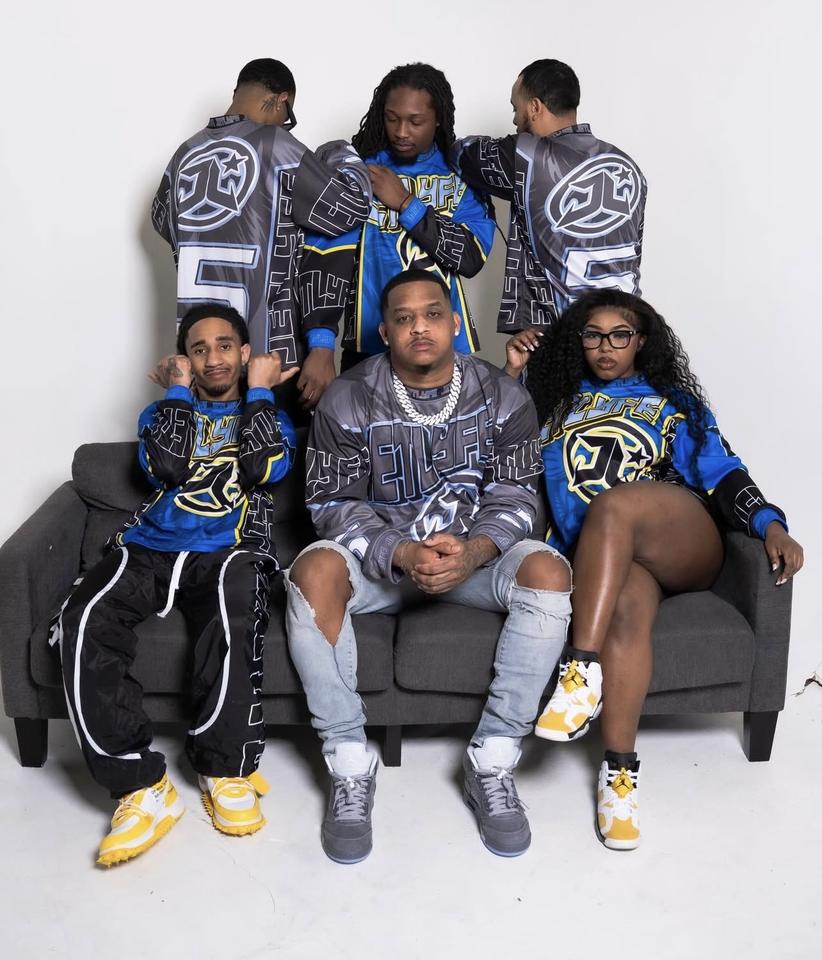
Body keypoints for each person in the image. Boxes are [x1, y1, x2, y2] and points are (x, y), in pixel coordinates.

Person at [284, 268, 571, 864]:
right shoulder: (347, 397)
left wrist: (474, 551)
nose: (420, 328)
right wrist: (400, 551)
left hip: (473, 561)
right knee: (312, 573)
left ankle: (492, 759)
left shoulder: (503, 394)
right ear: (385, 331)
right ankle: (348, 764)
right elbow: (331, 503)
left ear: (455, 322)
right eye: (404, 318)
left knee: (548, 572)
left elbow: (518, 495)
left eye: (433, 314)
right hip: (382, 566)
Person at [505, 290, 804, 850]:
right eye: (593, 335)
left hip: (682, 541)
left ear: (641, 341)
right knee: (624, 615)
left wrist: (770, 524)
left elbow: (722, 471)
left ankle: (580, 671)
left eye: (620, 335)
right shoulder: (553, 405)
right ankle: (619, 774)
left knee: (614, 504)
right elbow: (495, 452)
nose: (606, 347)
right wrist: (514, 374)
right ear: (578, 342)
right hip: (606, 562)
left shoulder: (671, 401)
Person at [53, 303, 298, 866]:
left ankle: (223, 768)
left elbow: (263, 469)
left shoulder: (270, 414)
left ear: (245, 352)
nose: (214, 358)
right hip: (150, 547)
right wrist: (177, 392)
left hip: (229, 549)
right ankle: (141, 787)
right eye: (198, 349)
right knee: (83, 617)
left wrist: (261, 391)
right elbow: (164, 467)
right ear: (183, 360)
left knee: (237, 603)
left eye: (225, 346)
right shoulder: (162, 410)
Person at [152, 58, 372, 418]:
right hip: (268, 359)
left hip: (200, 360)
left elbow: (160, 219)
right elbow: (350, 207)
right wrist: (340, 153)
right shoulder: (276, 145)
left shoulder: (184, 154)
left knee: (213, 450)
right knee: (275, 451)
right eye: (288, 116)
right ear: (281, 99)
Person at [299, 63, 495, 371]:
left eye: (416, 121)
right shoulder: (359, 172)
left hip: (446, 347)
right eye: (392, 119)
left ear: (438, 119)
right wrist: (321, 343)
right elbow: (326, 255)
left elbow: (470, 258)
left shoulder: (461, 174)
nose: (401, 132)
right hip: (368, 347)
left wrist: (406, 203)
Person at [451, 58, 646, 336]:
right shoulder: (628, 166)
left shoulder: (525, 155)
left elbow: (461, 154)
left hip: (556, 339)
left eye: (516, 108)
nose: (514, 120)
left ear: (534, 107)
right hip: (623, 336)